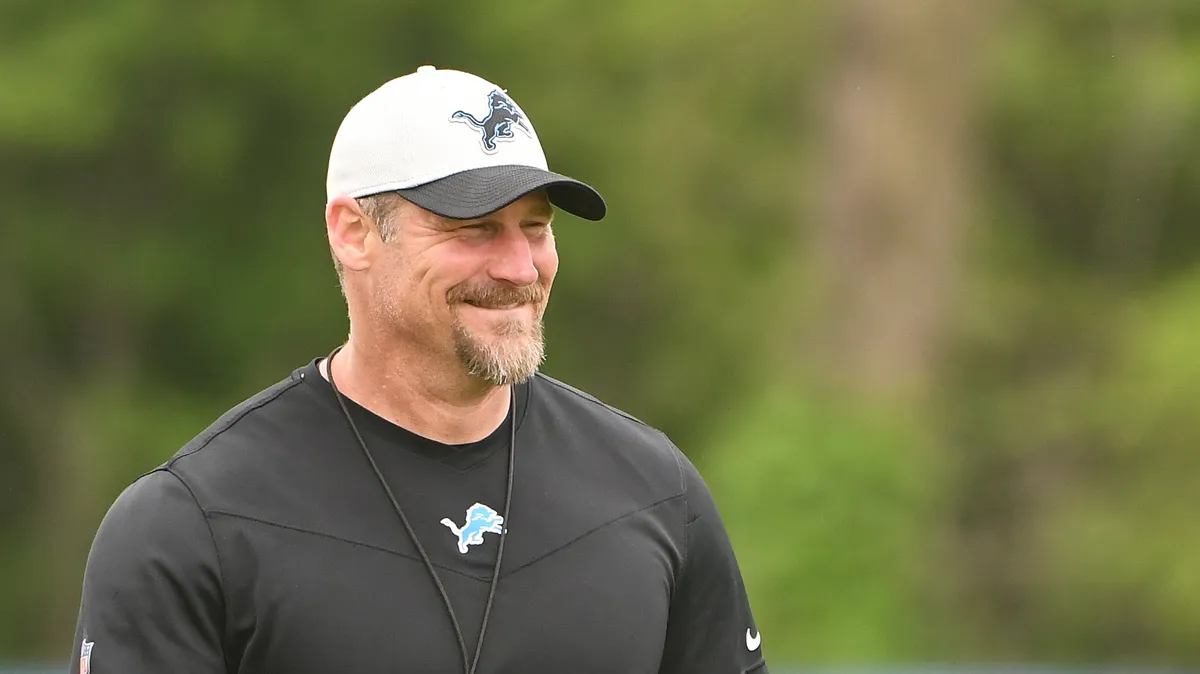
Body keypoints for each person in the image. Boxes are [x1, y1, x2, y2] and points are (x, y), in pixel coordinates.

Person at [68, 65, 769, 674]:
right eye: (474, 228)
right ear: (354, 233)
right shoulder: (191, 526)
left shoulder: (655, 492)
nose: (520, 268)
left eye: (535, 227)